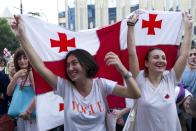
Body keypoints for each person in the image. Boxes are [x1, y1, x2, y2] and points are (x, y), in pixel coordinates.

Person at [11, 15, 141, 131]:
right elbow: (39, 66)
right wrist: (21, 37)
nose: (70, 68)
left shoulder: (101, 84)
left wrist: (122, 70)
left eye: (74, 63)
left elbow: (134, 93)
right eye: (67, 65)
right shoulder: (65, 87)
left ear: (86, 64)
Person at [126, 12, 193, 131]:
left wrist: (188, 27)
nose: (161, 60)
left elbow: (184, 55)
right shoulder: (139, 79)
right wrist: (131, 26)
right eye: (156, 57)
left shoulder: (171, 78)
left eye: (163, 58)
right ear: (147, 63)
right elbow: (132, 53)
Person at [7, 47, 38, 131]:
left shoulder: (31, 72)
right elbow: (9, 92)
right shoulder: (17, 74)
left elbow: (38, 94)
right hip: (21, 115)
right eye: (19, 58)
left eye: (25, 58)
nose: (22, 61)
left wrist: (28, 112)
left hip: (31, 116)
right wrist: (16, 76)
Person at [180, 47, 196, 131]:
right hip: (183, 106)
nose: (193, 56)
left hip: (194, 108)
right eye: (191, 55)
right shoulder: (181, 72)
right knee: (183, 125)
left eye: (195, 54)